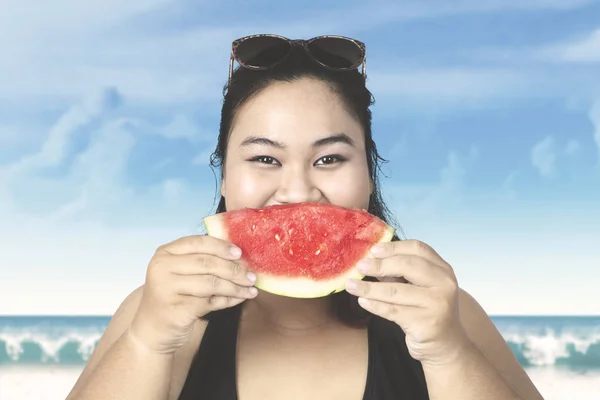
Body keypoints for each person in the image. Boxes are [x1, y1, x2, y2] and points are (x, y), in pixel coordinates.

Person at [66, 34, 543, 400]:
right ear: (225, 177)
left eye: (330, 159)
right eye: (265, 160)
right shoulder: (154, 313)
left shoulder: (448, 314)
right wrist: (147, 343)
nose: (298, 191)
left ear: (369, 176)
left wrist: (448, 353)